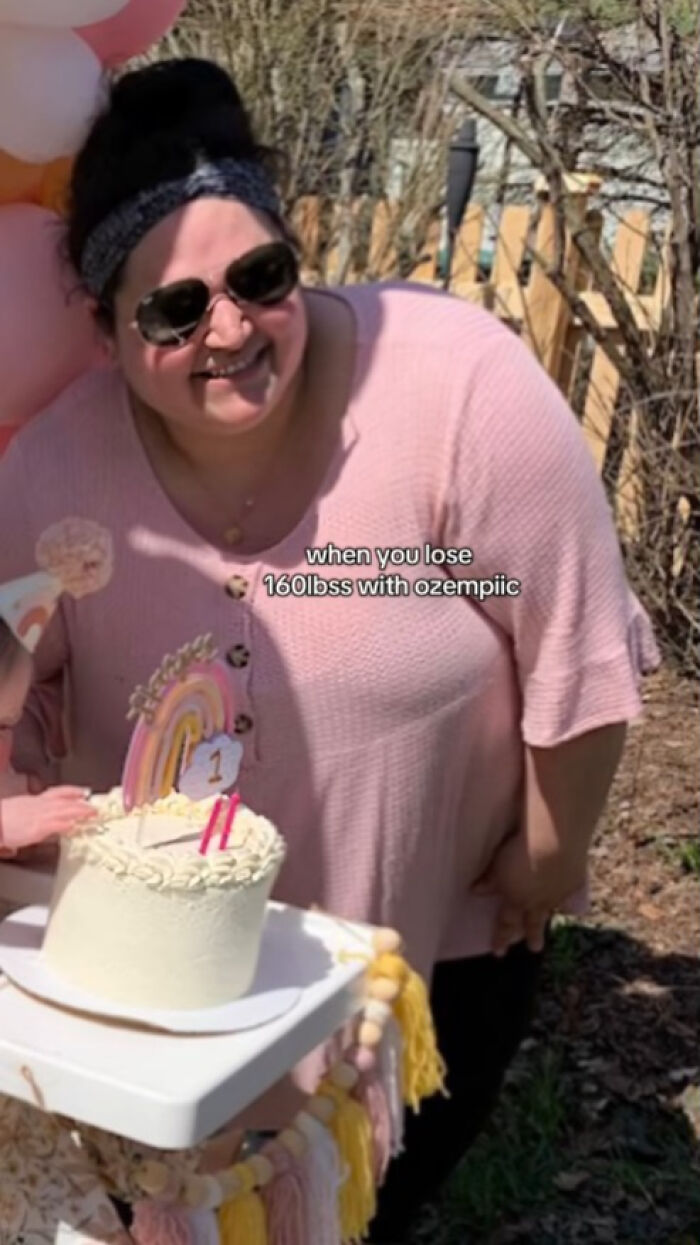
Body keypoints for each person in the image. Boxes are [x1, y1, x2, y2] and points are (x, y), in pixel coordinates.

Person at [0, 58, 659, 1242]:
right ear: (104, 328)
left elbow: (575, 646)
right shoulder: (53, 472)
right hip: (158, 1000)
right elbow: (9, 668)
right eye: (174, 309)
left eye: (260, 277)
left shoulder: (458, 392)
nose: (230, 329)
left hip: (416, 972)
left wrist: (546, 858)